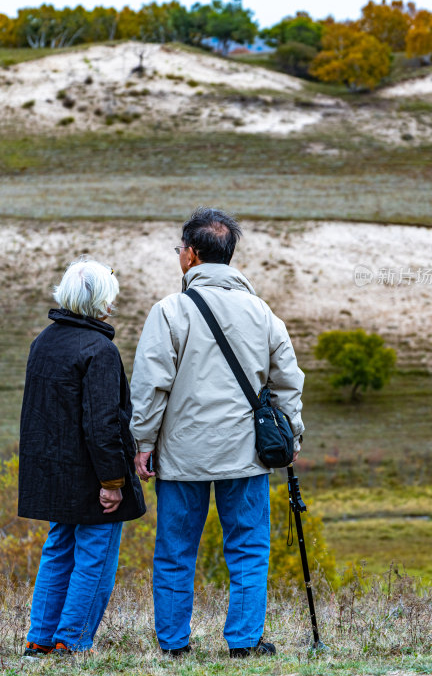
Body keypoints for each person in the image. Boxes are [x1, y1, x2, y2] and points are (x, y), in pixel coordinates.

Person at [130, 207, 304, 658]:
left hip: (182, 457)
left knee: (174, 553)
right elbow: (288, 382)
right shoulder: (262, 312)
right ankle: (244, 643)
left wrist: (143, 443)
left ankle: (173, 644)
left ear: (190, 255)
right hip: (246, 455)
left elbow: (151, 385)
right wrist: (293, 438)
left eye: (179, 249)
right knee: (248, 550)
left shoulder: (169, 311)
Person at [18, 257, 146, 658]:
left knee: (58, 548)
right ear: (101, 302)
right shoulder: (99, 350)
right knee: (95, 556)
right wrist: (112, 482)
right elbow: (103, 424)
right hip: (91, 475)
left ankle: (40, 636)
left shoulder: (44, 340)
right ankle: (71, 640)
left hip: (53, 471)